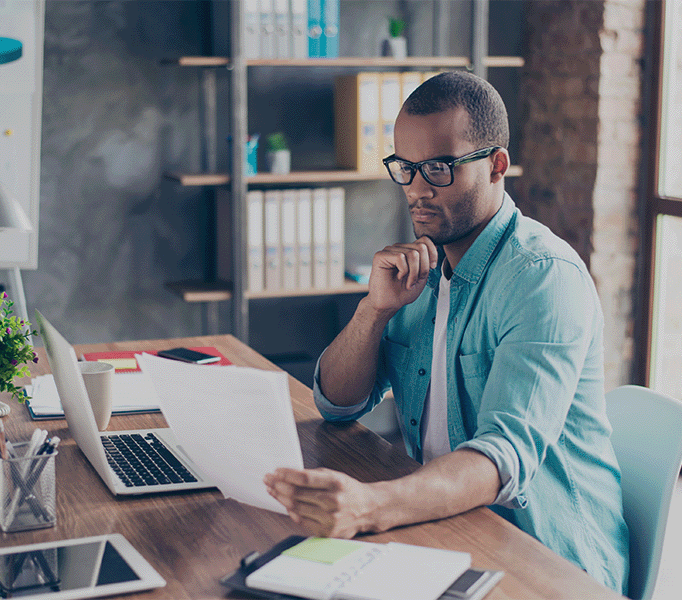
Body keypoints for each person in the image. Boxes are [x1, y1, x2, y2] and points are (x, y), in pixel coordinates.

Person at [264, 71, 629, 594]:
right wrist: (374, 310)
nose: (416, 189)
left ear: (496, 165)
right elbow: (338, 404)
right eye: (405, 168)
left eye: (437, 168)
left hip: (551, 561)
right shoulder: (422, 268)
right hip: (446, 525)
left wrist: (370, 505)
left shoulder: (543, 278)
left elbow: (503, 458)